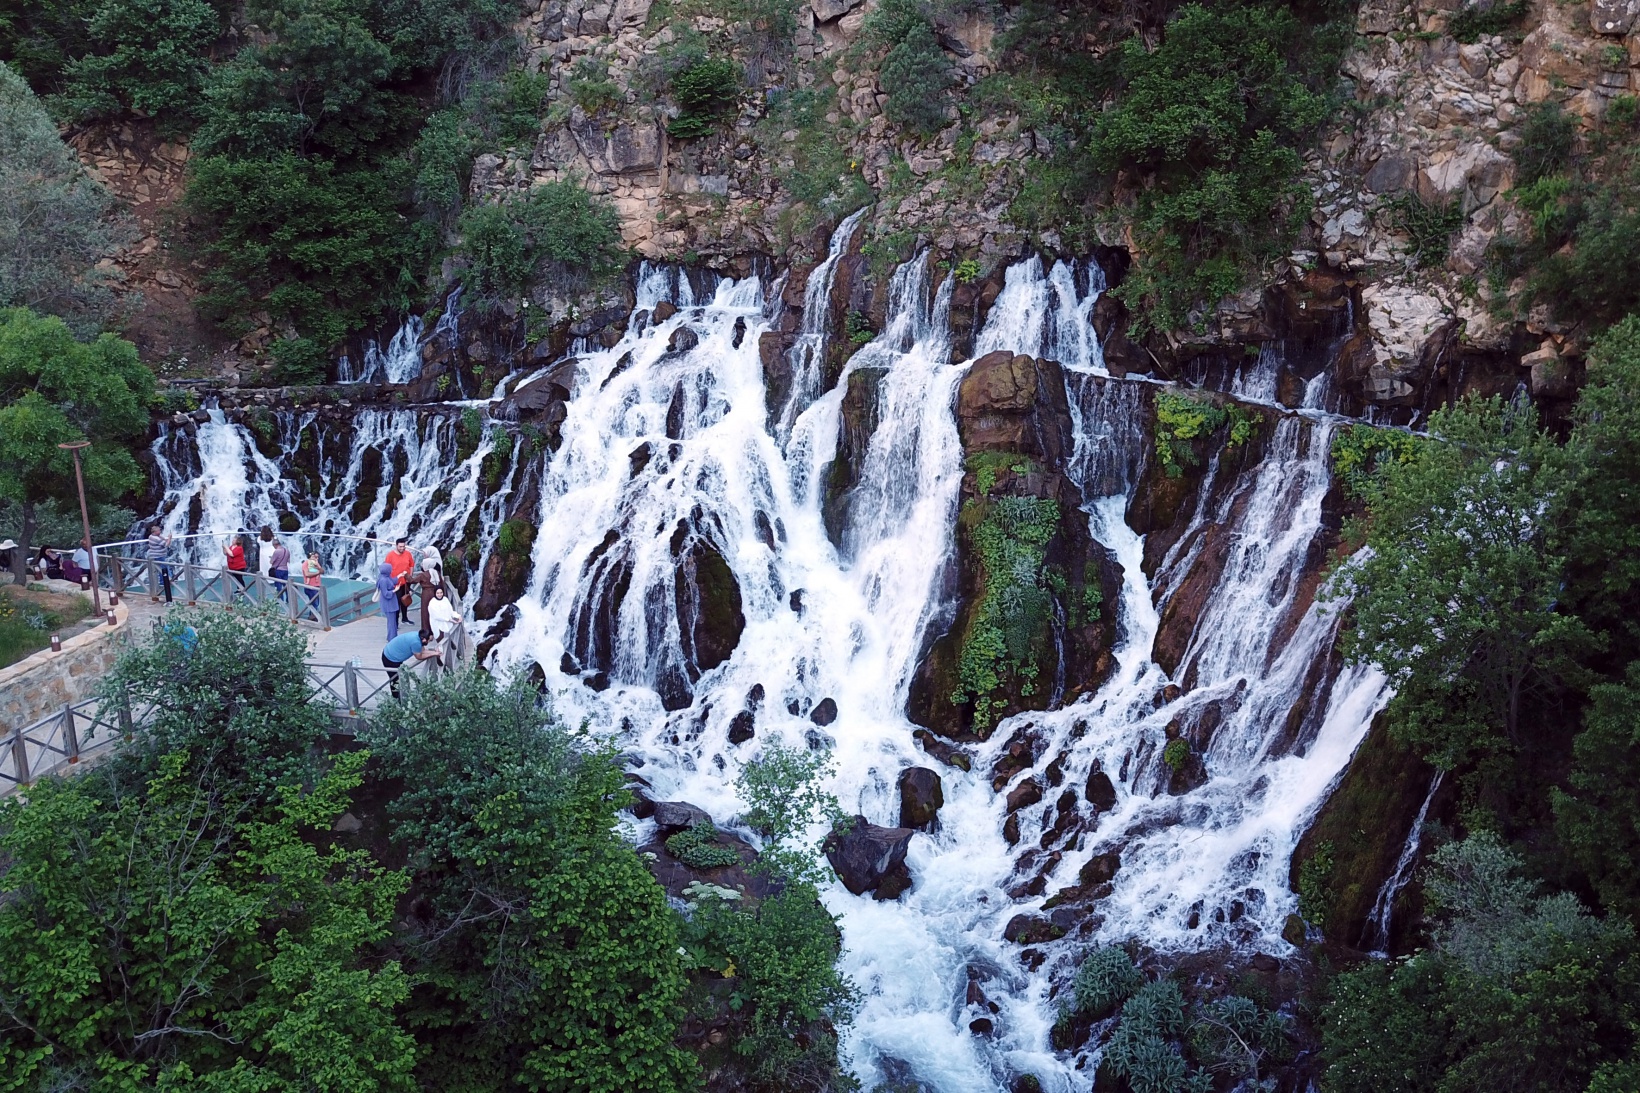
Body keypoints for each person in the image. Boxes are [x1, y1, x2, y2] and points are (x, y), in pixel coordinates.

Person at [381, 629, 440, 698]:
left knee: (399, 679)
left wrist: (435, 653)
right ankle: (397, 700)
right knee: (395, 681)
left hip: (390, 652)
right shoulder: (416, 642)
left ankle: (400, 699)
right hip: (390, 659)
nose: (429, 642)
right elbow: (419, 656)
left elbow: (423, 651)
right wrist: (433, 654)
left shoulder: (417, 636)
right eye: (429, 640)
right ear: (424, 639)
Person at [384, 538, 415, 624]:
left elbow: (411, 564)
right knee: (396, 603)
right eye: (400, 546)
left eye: (403, 546)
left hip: (406, 582)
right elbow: (386, 568)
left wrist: (410, 576)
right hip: (396, 584)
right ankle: (395, 622)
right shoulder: (390, 555)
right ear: (396, 546)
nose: (402, 548)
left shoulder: (408, 554)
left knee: (405, 600)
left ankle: (405, 618)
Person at [145, 524, 173, 603]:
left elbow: (162, 539)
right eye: (159, 531)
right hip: (159, 556)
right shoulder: (156, 539)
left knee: (162, 569)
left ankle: (164, 581)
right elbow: (166, 545)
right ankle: (165, 582)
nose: (160, 531)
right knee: (163, 569)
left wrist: (163, 537)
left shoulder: (151, 536)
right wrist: (170, 538)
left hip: (154, 555)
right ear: (155, 532)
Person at [375, 562, 400, 642]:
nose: (391, 570)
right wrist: (394, 590)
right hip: (388, 604)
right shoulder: (383, 580)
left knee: (392, 621)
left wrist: (399, 576)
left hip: (391, 602)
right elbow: (385, 593)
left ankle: (392, 636)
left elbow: (393, 581)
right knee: (391, 622)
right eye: (390, 569)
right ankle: (392, 638)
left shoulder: (385, 577)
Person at [223, 535, 248, 600]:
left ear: (237, 541)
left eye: (234, 540)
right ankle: (239, 589)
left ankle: (242, 590)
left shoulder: (239, 548)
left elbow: (232, 554)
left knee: (239, 578)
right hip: (232, 566)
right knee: (237, 579)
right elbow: (226, 553)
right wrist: (224, 548)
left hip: (239, 566)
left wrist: (226, 547)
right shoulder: (231, 547)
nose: (232, 541)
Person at [300, 550, 324, 615]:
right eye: (315, 557)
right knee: (314, 604)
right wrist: (318, 572)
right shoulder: (305, 564)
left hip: (317, 586)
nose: (317, 559)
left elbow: (323, 571)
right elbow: (307, 574)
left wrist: (318, 567)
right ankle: (313, 617)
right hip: (310, 587)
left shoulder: (316, 563)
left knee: (315, 603)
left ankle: (313, 617)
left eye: (317, 557)